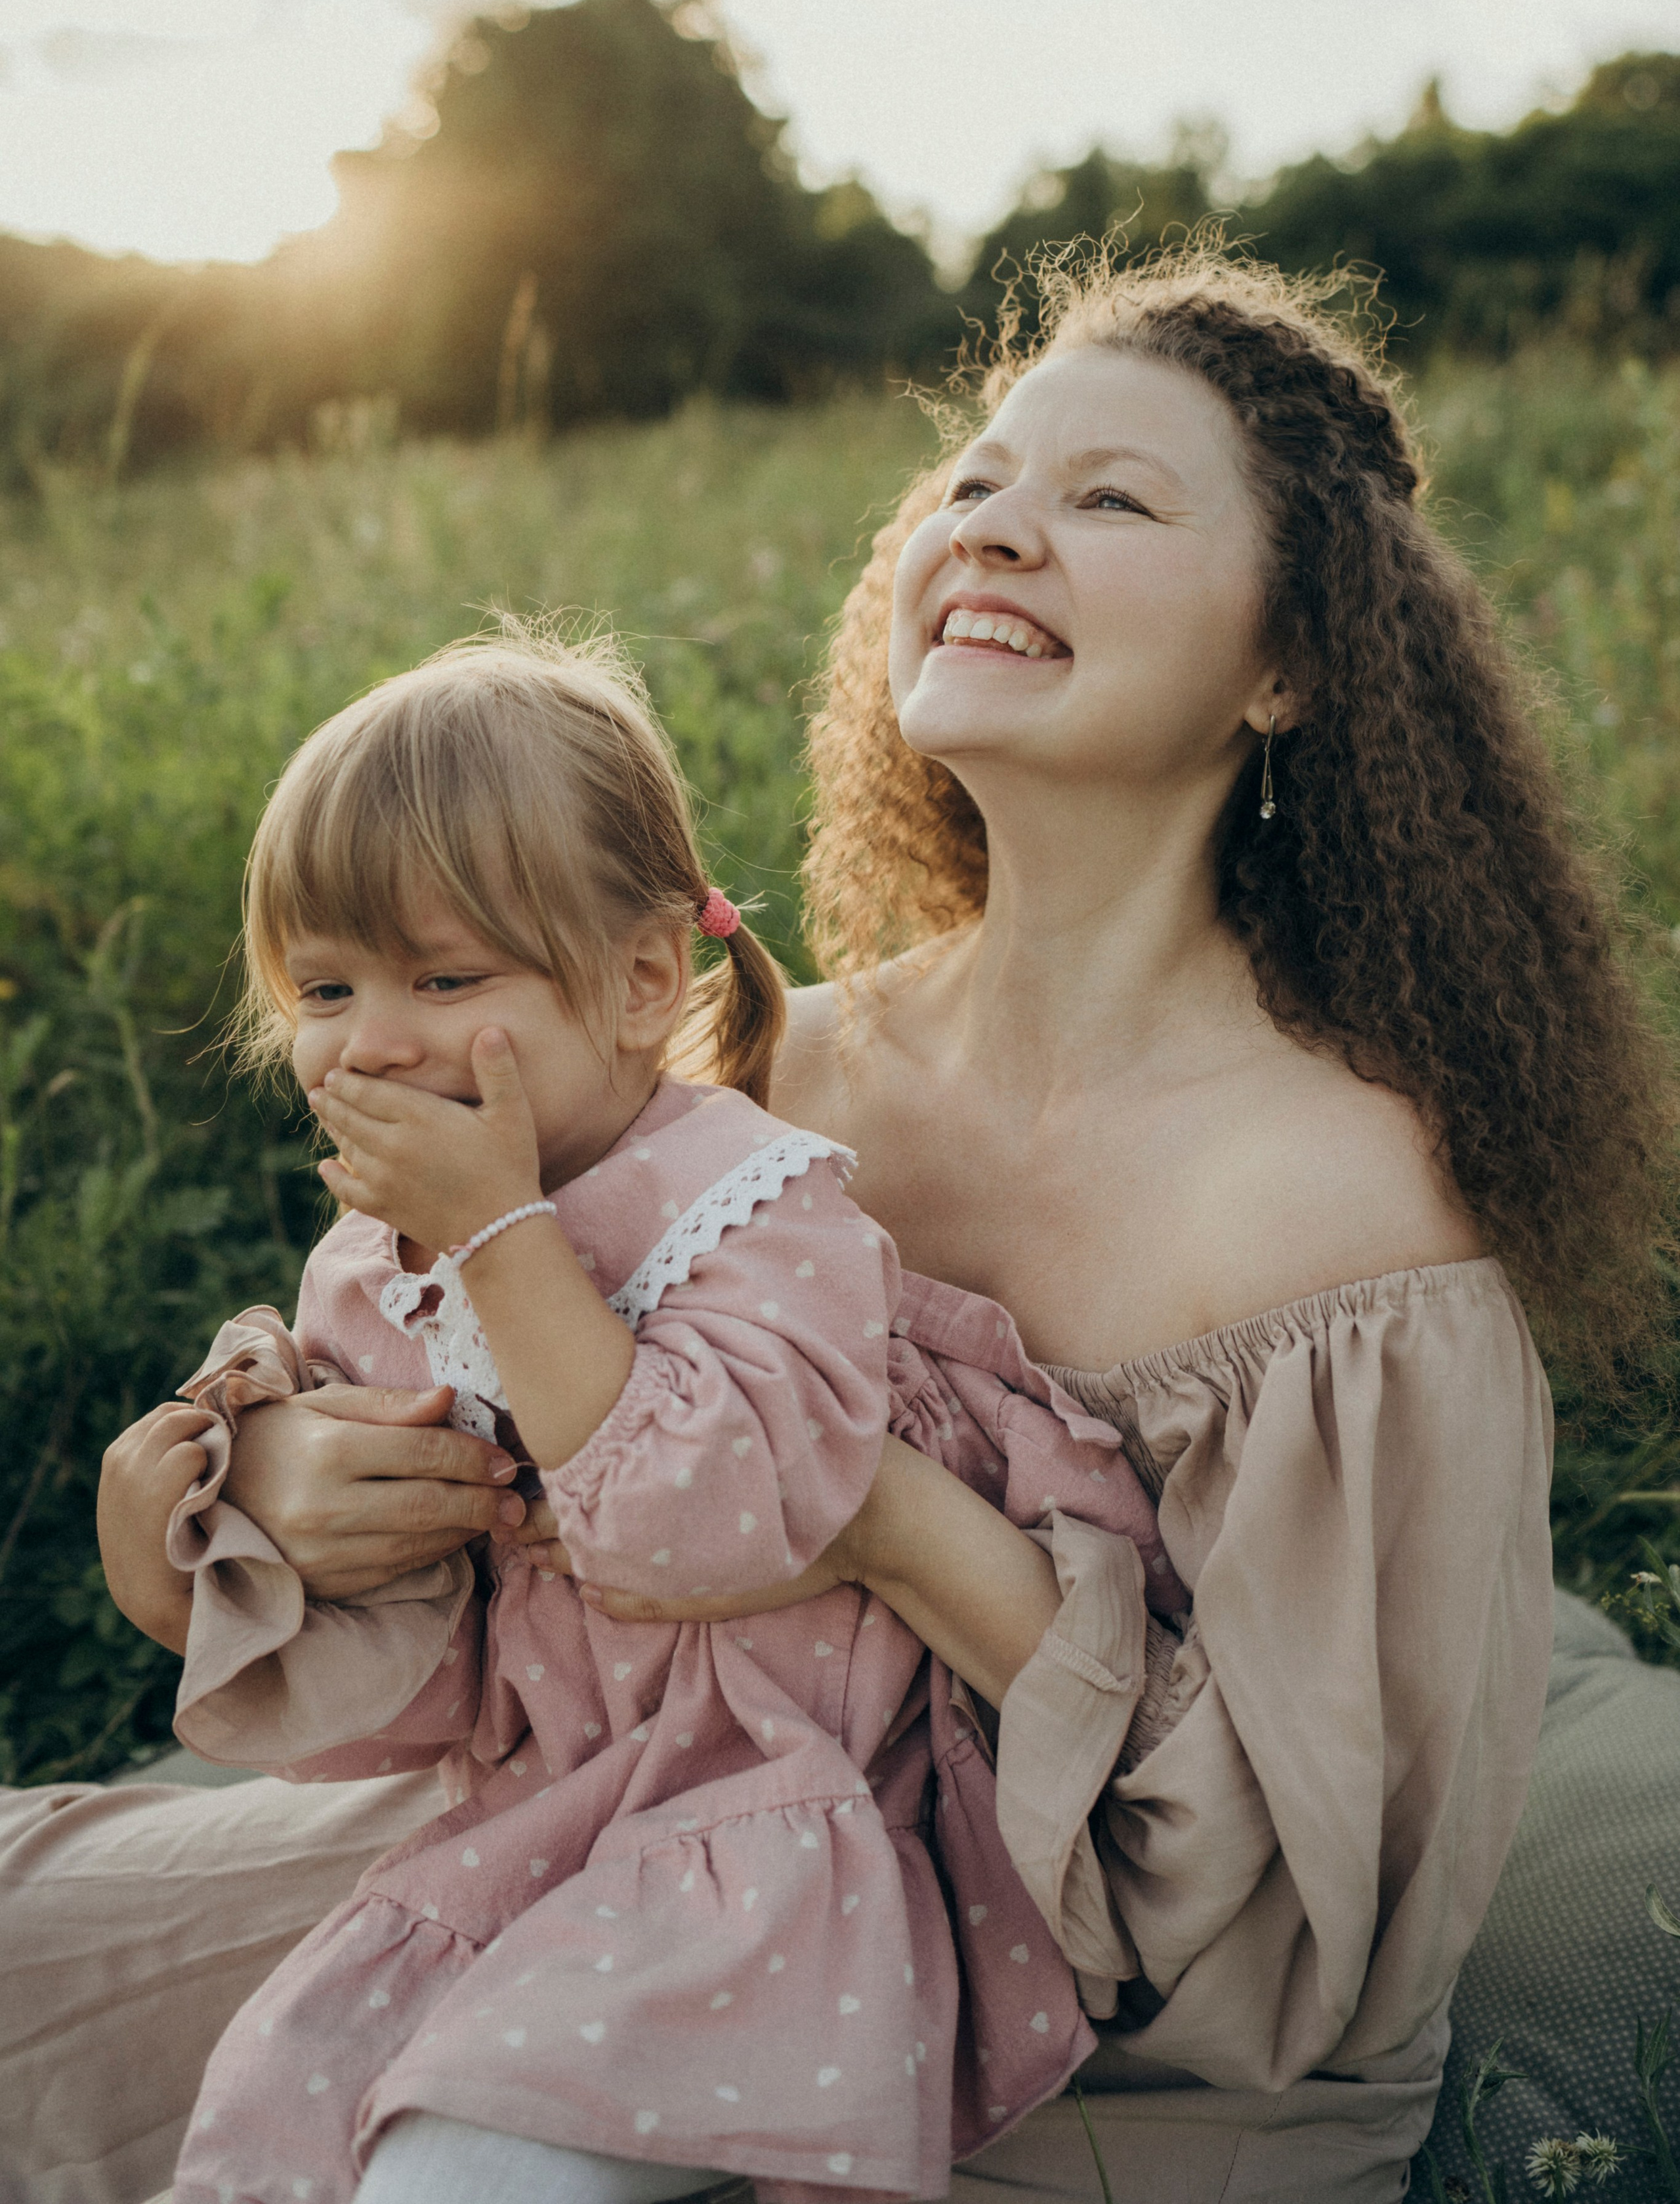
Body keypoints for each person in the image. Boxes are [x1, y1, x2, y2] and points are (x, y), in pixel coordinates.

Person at [41, 251, 1675, 2204]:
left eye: (1110, 498)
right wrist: (290, 1470)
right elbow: (479, 1390)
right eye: (975, 482)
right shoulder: (752, 1063)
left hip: (1085, 2059)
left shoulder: (1353, 1209)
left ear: (1289, 665)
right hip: (596, 1837)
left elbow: (1287, 1933)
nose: (993, 526)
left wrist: (868, 1510)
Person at [158, 627, 1182, 2204]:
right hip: (536, 1827)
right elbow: (418, 1691)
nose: (370, 1039)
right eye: (327, 988)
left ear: (643, 983)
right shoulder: (376, 1271)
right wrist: (273, 1531)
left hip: (767, 1833)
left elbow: (691, 1531)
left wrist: (499, 1235)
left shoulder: (751, 1209)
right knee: (281, 2123)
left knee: (462, 2164)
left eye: (445, 979)